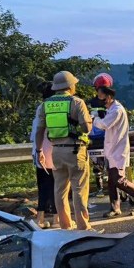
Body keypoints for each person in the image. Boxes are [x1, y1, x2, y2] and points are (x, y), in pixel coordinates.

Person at [34, 71, 93, 231]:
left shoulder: (44, 105)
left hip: (56, 152)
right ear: (70, 86)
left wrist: (39, 150)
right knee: (79, 189)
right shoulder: (77, 102)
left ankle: (65, 225)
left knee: (59, 190)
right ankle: (83, 226)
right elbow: (86, 128)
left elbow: (39, 131)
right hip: (75, 150)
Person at [92, 85, 134, 217]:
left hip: (118, 150)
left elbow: (104, 125)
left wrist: (93, 118)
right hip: (111, 150)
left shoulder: (116, 110)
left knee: (118, 179)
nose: (99, 100)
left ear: (109, 97)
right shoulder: (110, 110)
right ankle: (115, 208)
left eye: (101, 97)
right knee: (111, 181)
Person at [31, 82, 60, 229]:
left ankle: (40, 219)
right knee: (56, 187)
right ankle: (56, 219)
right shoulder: (55, 107)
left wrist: (38, 150)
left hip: (39, 151)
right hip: (53, 152)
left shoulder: (40, 108)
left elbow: (36, 131)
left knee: (42, 187)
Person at [88, 73, 112, 197]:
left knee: (97, 163)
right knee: (106, 163)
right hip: (105, 136)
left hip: (95, 136)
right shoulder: (111, 103)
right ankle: (106, 188)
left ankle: (100, 189)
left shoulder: (91, 102)